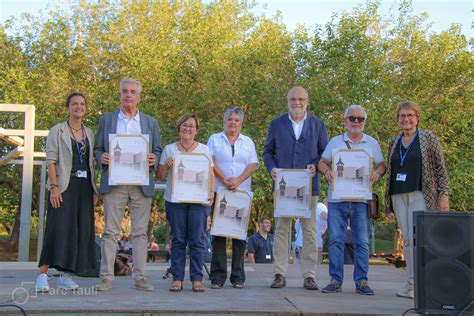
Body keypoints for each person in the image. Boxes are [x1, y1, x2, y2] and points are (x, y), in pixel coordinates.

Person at [94, 78, 162, 292]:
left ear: (139, 96)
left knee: (140, 233)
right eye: (125, 91)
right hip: (115, 182)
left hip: (141, 183)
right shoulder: (107, 120)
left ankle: (140, 278)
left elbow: (158, 150)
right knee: (110, 232)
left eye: (133, 92)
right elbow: (97, 149)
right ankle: (106, 277)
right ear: (120, 95)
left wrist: (154, 159)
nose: (129, 95)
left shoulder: (150, 122)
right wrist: (101, 157)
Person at [262, 86, 328, 290]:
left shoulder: (317, 124)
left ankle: (309, 275)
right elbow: (267, 152)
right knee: (282, 230)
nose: (297, 102)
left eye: (301, 99)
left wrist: (316, 165)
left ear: (307, 101)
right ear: (287, 100)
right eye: (293, 99)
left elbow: (324, 154)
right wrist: (272, 169)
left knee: (310, 231)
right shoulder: (277, 123)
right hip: (283, 187)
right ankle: (279, 273)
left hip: (309, 187)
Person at [318, 104, 385, 296]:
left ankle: (362, 281)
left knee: (362, 242)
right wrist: (327, 171)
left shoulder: (371, 143)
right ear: (345, 121)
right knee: (336, 241)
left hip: (361, 199)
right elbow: (322, 162)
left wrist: (377, 174)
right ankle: (335, 280)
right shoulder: (335, 142)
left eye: (360, 119)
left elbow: (381, 165)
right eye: (352, 118)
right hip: (337, 198)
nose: (356, 122)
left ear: (365, 121)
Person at [385, 101, 449, 299]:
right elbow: (391, 170)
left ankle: (425, 283)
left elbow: (440, 168)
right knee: (407, 241)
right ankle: (411, 284)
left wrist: (444, 194)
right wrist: (387, 204)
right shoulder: (394, 141)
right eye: (402, 116)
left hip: (421, 193)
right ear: (398, 119)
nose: (406, 119)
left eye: (410, 115)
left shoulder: (428, 138)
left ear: (417, 118)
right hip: (398, 194)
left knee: (421, 239)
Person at [35, 92, 98, 292]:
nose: (78, 107)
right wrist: (54, 187)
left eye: (82, 104)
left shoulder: (89, 132)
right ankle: (42, 275)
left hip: (84, 187)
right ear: (68, 107)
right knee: (57, 228)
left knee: (78, 230)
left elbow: (92, 163)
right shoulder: (58, 131)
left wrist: (94, 188)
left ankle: (65, 276)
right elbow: (51, 161)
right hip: (63, 185)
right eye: (74, 104)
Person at [157, 114, 215, 292]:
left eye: (191, 126)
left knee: (198, 240)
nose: (187, 128)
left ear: (196, 130)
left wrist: (211, 195)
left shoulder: (204, 150)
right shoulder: (169, 149)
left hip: (198, 201)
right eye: (184, 125)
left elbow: (210, 175)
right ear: (179, 127)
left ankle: (197, 279)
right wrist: (166, 165)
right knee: (178, 240)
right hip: (175, 201)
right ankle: (177, 278)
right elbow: (160, 175)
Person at [207, 107, 259, 289]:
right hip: (220, 192)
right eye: (230, 119)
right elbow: (210, 161)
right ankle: (217, 277)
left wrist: (238, 180)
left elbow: (253, 164)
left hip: (241, 194)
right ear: (224, 121)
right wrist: (224, 179)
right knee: (218, 236)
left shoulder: (248, 142)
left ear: (241, 123)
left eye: (236, 120)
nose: (233, 123)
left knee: (239, 237)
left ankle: (238, 277)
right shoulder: (214, 139)